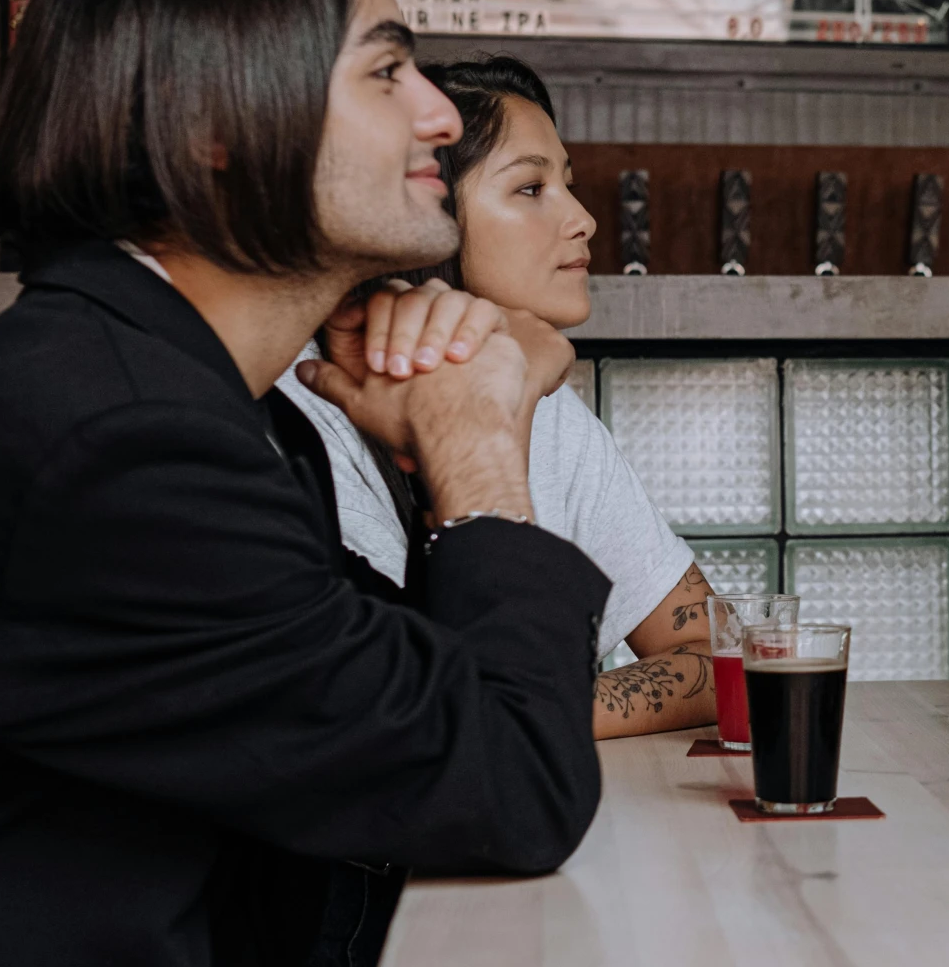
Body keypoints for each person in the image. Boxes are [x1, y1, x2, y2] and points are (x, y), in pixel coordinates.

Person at [0, 0, 615, 967]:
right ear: (213, 120)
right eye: (388, 70)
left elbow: (406, 690)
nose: (440, 114)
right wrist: (473, 435)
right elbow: (509, 783)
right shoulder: (118, 439)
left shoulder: (178, 397)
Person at [278, 56, 718, 740]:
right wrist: (527, 713)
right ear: (422, 207)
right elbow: (408, 721)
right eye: (531, 187)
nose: (584, 220)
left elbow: (718, 655)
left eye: (566, 183)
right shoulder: (306, 410)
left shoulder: (557, 418)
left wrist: (542, 711)